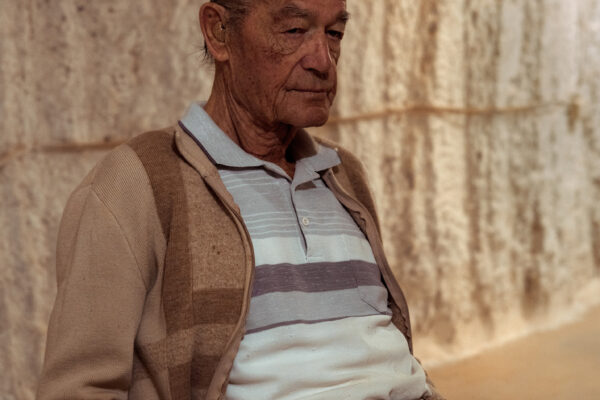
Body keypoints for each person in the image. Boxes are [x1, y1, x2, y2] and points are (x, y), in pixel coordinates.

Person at [37, 0, 444, 399]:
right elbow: (78, 388)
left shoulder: (342, 173)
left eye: (335, 33)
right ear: (219, 32)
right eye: (294, 31)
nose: (323, 60)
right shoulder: (137, 181)